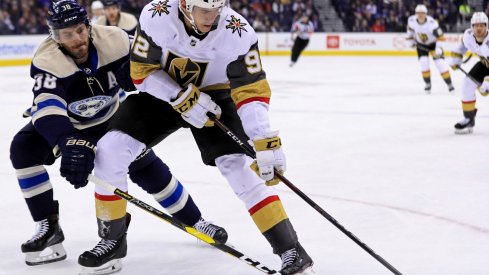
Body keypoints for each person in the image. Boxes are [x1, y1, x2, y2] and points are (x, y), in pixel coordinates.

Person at [90, 0, 315, 274]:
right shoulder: (156, 15)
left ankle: (291, 249)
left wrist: (263, 139)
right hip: (163, 93)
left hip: (217, 97)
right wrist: (179, 96)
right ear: (185, 6)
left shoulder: (238, 31)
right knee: (109, 149)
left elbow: (251, 90)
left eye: (217, 8)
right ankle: (111, 240)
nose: (213, 16)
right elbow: (141, 72)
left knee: (238, 168)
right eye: (204, 10)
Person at [9, 0, 227, 271]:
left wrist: (142, 71)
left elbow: (158, 58)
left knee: (148, 168)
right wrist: (66, 140)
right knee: (23, 148)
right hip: (70, 125)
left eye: (79, 30)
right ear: (54, 36)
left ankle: (195, 222)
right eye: (67, 34)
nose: (77, 39)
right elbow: (46, 106)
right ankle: (48, 226)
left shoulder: (117, 40)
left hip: (111, 118)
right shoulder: (46, 59)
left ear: (88, 25)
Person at [449, 12, 489, 134]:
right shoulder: (468, 36)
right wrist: (456, 59)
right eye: (476, 25)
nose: (479, 28)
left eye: (482, 25)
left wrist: (487, 82)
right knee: (467, 84)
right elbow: (462, 47)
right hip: (485, 65)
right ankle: (468, 118)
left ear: (487, 26)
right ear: (472, 26)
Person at [407, 4, 454, 93]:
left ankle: (449, 84)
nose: (420, 15)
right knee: (424, 63)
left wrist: (438, 49)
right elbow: (410, 31)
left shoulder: (432, 23)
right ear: (416, 13)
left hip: (434, 45)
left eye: (422, 13)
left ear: (426, 14)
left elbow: (441, 37)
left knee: (440, 64)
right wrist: (411, 42)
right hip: (421, 45)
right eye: (418, 13)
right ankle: (427, 84)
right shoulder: (411, 20)